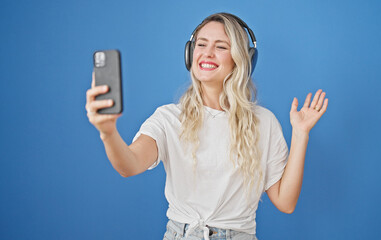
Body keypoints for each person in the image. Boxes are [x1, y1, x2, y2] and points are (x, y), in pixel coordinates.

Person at [86, 12, 328, 240]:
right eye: (201, 44)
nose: (208, 53)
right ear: (190, 53)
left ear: (242, 60)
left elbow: (285, 202)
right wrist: (108, 133)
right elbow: (130, 165)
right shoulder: (168, 118)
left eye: (221, 46)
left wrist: (300, 134)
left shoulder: (264, 122)